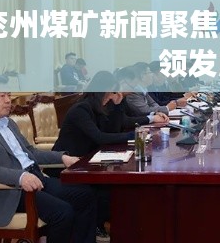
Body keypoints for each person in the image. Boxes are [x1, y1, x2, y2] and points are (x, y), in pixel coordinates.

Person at [0, 74, 96, 243]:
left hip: (34, 178)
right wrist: (21, 176)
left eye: (9, 95)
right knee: (62, 212)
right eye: (1, 96)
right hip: (8, 191)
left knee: (85, 195)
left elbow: (31, 152)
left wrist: (62, 158)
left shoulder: (8, 123)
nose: (8, 100)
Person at [51, 71, 166, 242]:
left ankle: (117, 227)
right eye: (112, 92)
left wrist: (119, 105)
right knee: (104, 189)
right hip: (69, 164)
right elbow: (100, 137)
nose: (112, 96)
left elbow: (118, 126)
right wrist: (134, 136)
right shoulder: (81, 109)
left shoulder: (100, 106)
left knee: (115, 185)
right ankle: (98, 228)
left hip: (90, 160)